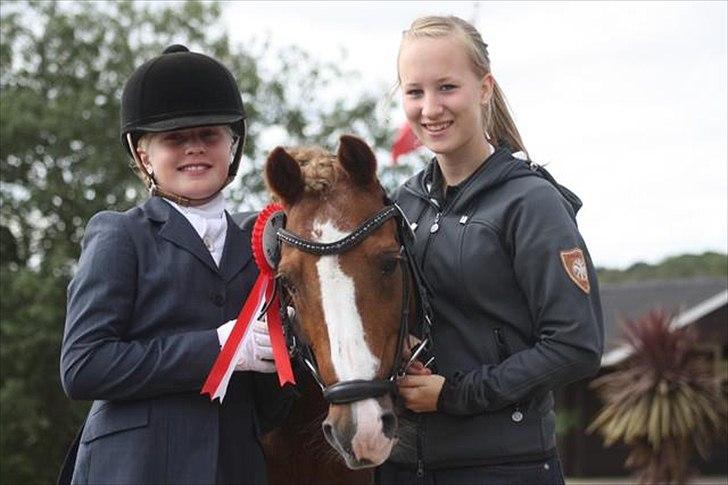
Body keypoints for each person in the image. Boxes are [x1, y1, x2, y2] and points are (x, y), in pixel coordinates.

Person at [380, 16, 604, 485]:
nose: (430, 108)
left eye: (447, 87)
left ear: (484, 88)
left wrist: (455, 394)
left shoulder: (531, 202)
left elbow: (575, 345)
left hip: (504, 467)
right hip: (402, 466)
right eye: (414, 92)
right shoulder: (402, 204)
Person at [59, 45, 290, 484]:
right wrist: (215, 349)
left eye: (209, 135)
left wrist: (288, 349)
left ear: (233, 144)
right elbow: (83, 366)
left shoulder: (260, 242)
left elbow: (271, 405)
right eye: (174, 138)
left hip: (236, 467)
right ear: (143, 154)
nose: (194, 149)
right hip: (135, 466)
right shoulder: (120, 235)